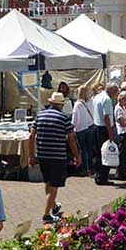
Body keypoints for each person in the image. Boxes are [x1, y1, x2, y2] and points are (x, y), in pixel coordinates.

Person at [28, 92, 80, 223]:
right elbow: (71, 139)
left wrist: (31, 155)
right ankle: (46, 214)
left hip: (43, 155)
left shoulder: (40, 115)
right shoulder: (63, 118)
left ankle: (54, 206)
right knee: (54, 186)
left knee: (48, 183)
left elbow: (31, 136)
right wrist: (76, 156)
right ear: (61, 105)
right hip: (57, 156)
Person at [92, 83, 118, 186]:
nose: (115, 94)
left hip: (96, 126)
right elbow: (106, 117)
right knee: (105, 153)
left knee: (99, 153)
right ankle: (103, 177)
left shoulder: (98, 96)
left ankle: (98, 174)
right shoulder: (107, 100)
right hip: (103, 128)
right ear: (111, 90)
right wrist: (110, 133)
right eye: (115, 92)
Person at [71, 86, 95, 176]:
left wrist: (72, 128)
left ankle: (84, 168)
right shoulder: (90, 102)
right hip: (90, 126)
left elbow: (75, 119)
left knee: (82, 149)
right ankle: (90, 168)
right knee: (89, 149)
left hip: (80, 129)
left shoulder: (77, 104)